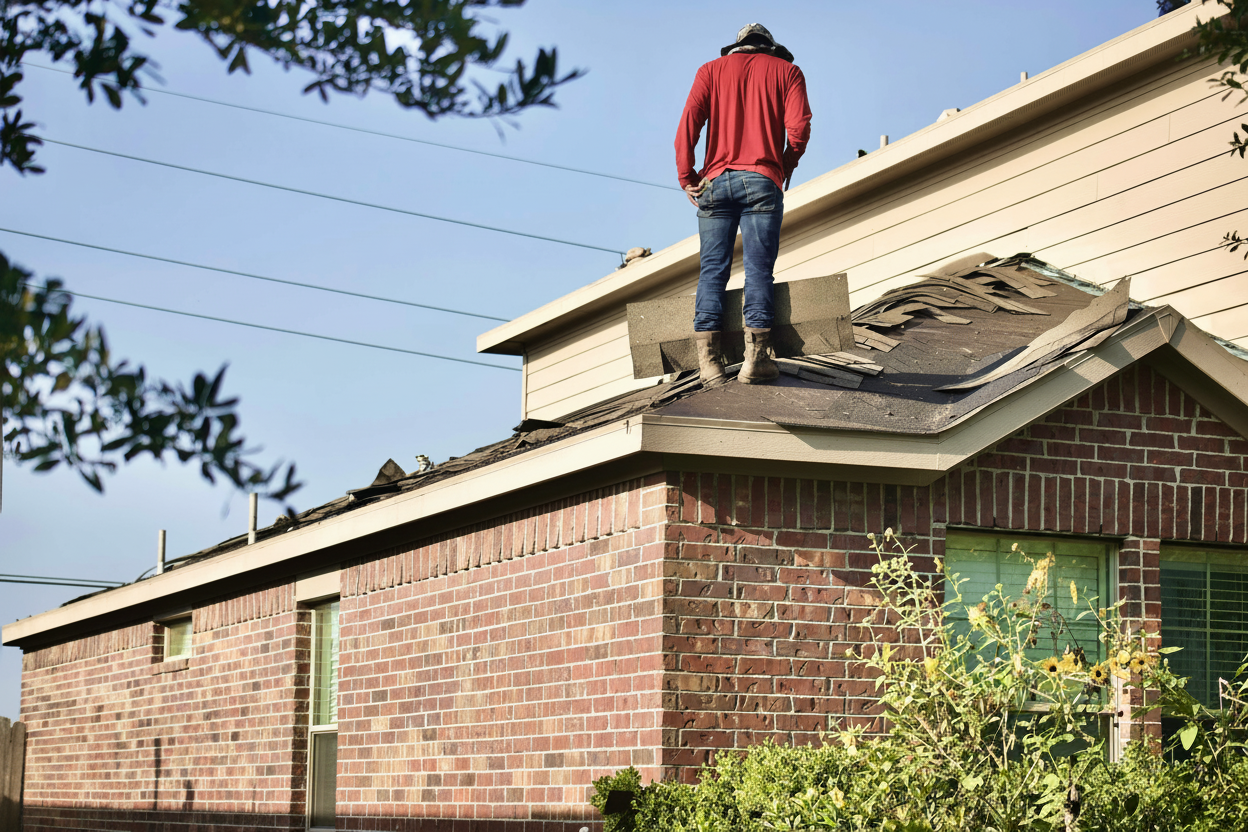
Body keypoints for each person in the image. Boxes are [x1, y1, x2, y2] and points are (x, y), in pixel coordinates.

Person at [675, 23, 812, 386]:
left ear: (736, 48)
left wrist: (687, 177)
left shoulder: (710, 70)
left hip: (714, 183)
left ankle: (709, 365)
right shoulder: (788, 72)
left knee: (712, 271)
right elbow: (798, 130)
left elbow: (689, 123)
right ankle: (756, 359)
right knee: (758, 270)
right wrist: (780, 168)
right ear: (770, 48)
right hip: (762, 180)